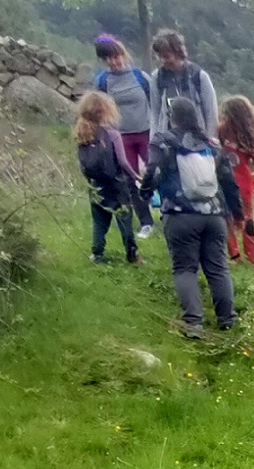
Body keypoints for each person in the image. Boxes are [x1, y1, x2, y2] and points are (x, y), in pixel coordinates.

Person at [140, 97, 243, 339]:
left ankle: (193, 323)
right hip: (214, 216)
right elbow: (229, 181)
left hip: (180, 215)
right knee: (218, 268)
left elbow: (153, 171)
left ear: (171, 117)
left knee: (185, 269)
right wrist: (238, 213)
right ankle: (228, 320)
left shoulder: (164, 142)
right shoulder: (211, 144)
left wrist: (145, 193)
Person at [92, 33, 156, 235]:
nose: (114, 61)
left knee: (156, 172)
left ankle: (167, 211)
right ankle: (146, 222)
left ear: (124, 54)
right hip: (121, 137)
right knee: (130, 180)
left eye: (117, 56)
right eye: (109, 58)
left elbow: (155, 104)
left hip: (146, 132)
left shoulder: (141, 78)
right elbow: (99, 111)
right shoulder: (102, 82)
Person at [73, 91, 140, 266]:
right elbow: (123, 162)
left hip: (96, 185)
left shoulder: (83, 133)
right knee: (125, 219)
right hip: (116, 184)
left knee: (99, 222)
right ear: (105, 111)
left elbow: (82, 164)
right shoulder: (112, 134)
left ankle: (97, 254)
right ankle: (132, 254)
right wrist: (135, 176)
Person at [218, 95, 254, 266]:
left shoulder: (248, 137)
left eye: (227, 114)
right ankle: (235, 257)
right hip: (224, 186)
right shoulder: (222, 131)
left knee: (248, 225)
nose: (224, 116)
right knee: (227, 220)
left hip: (245, 189)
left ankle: (253, 260)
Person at [147, 29, 219, 142]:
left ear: (178, 52)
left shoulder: (199, 76)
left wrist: (210, 140)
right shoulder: (157, 78)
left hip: (197, 141)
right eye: (159, 56)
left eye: (166, 56)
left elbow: (211, 113)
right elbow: (155, 114)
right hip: (170, 142)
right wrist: (154, 142)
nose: (162, 60)